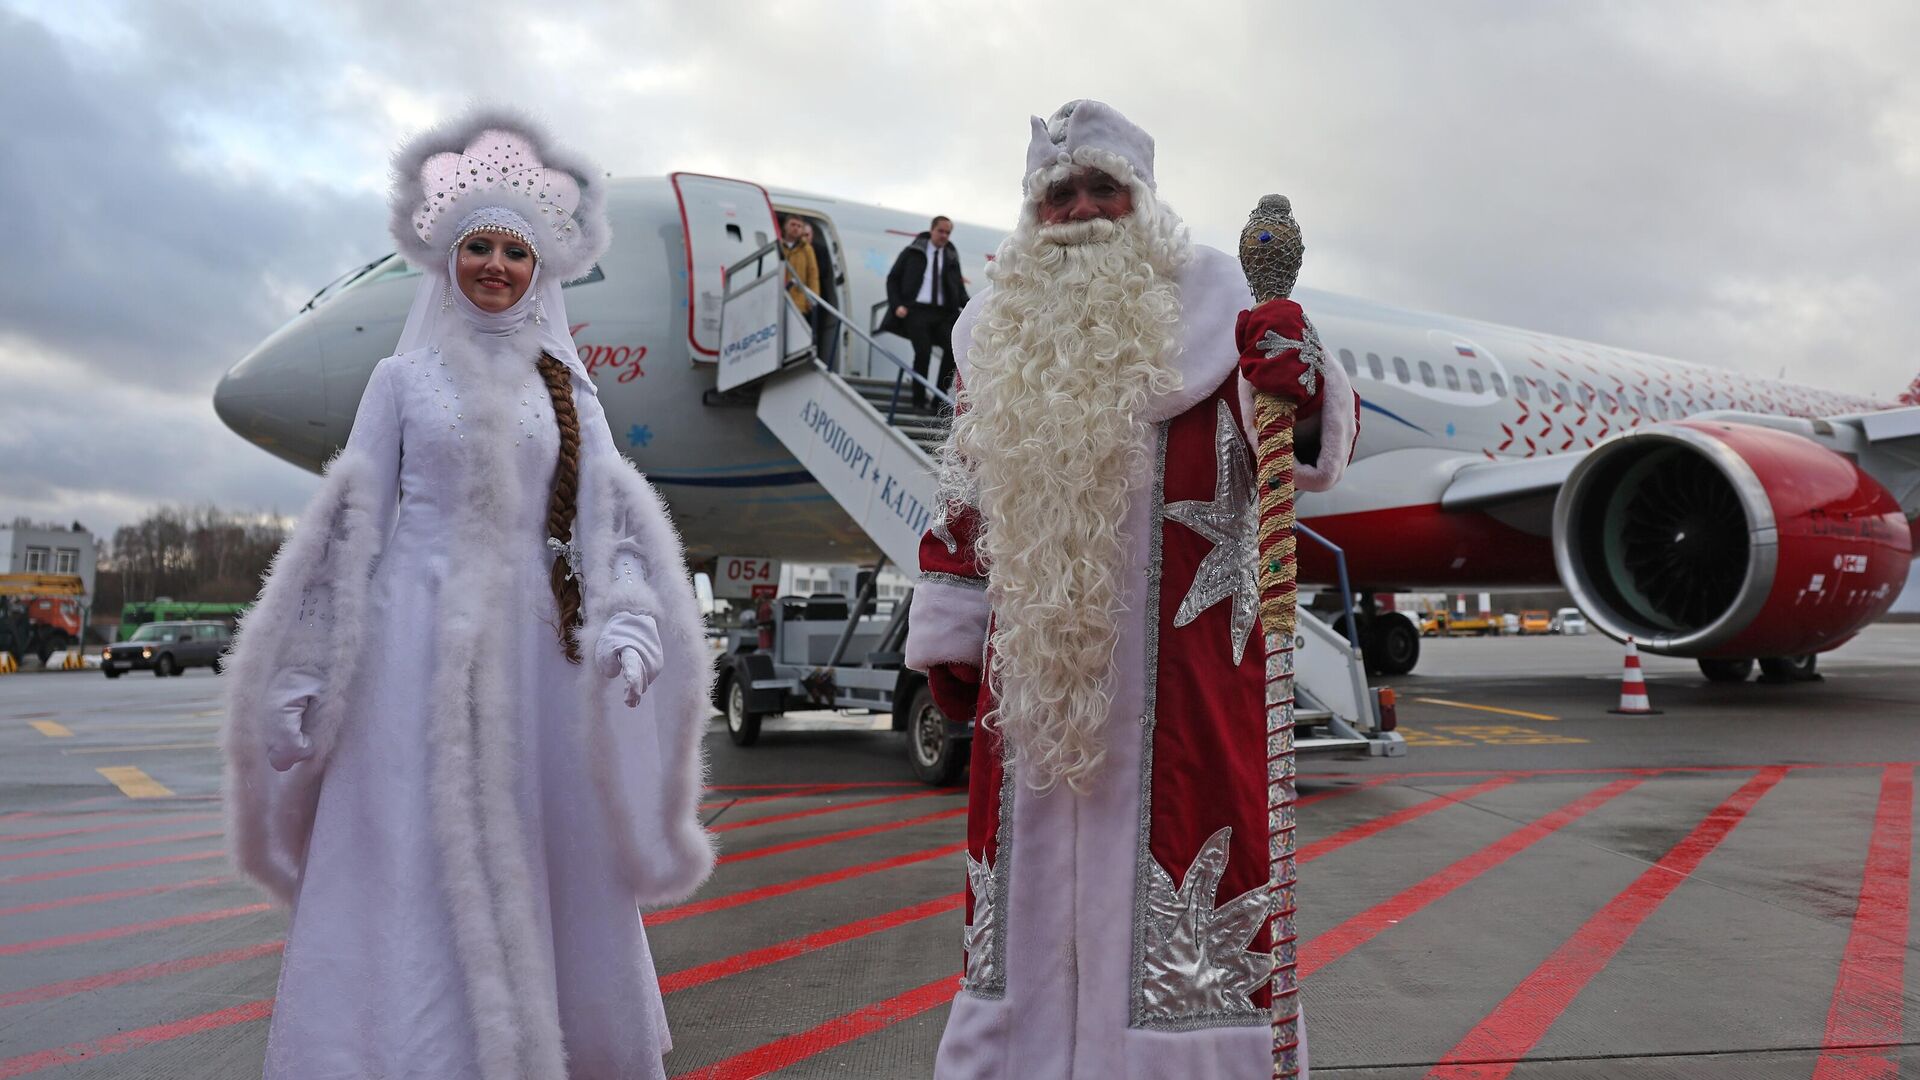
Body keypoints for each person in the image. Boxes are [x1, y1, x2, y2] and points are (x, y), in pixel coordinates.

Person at [222, 108, 715, 1080]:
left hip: (535, 655)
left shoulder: (573, 394)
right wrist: (307, 668)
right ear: (449, 259)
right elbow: (349, 529)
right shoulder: (401, 381)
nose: (496, 265)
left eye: (515, 252)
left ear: (541, 270)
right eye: (478, 247)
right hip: (412, 641)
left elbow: (607, 525)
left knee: (543, 853)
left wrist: (628, 620)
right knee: (410, 854)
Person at [906, 100, 1358, 1079]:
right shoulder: (999, 338)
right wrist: (948, 631)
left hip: (1185, 696)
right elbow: (961, 490)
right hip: (1030, 700)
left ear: (1140, 202)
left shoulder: (1221, 317)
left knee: (1184, 902)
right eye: (1057, 197)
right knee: (1023, 908)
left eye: (1100, 190)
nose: (1079, 213)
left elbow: (1306, 451)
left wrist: (1301, 370)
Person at [880, 214, 969, 407]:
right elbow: (892, 279)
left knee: (952, 350)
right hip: (917, 311)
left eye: (948, 232)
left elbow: (958, 287)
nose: (944, 236)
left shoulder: (951, 256)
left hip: (943, 313)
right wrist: (897, 305)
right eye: (941, 231)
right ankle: (918, 399)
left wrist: (971, 307)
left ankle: (938, 398)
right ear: (931, 230)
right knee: (923, 352)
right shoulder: (912, 252)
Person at [781, 213, 819, 316]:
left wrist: (812, 298)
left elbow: (813, 275)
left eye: (799, 226)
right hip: (779, 300)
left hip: (799, 304)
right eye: (793, 225)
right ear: (785, 226)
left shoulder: (807, 249)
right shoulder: (778, 246)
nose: (796, 228)